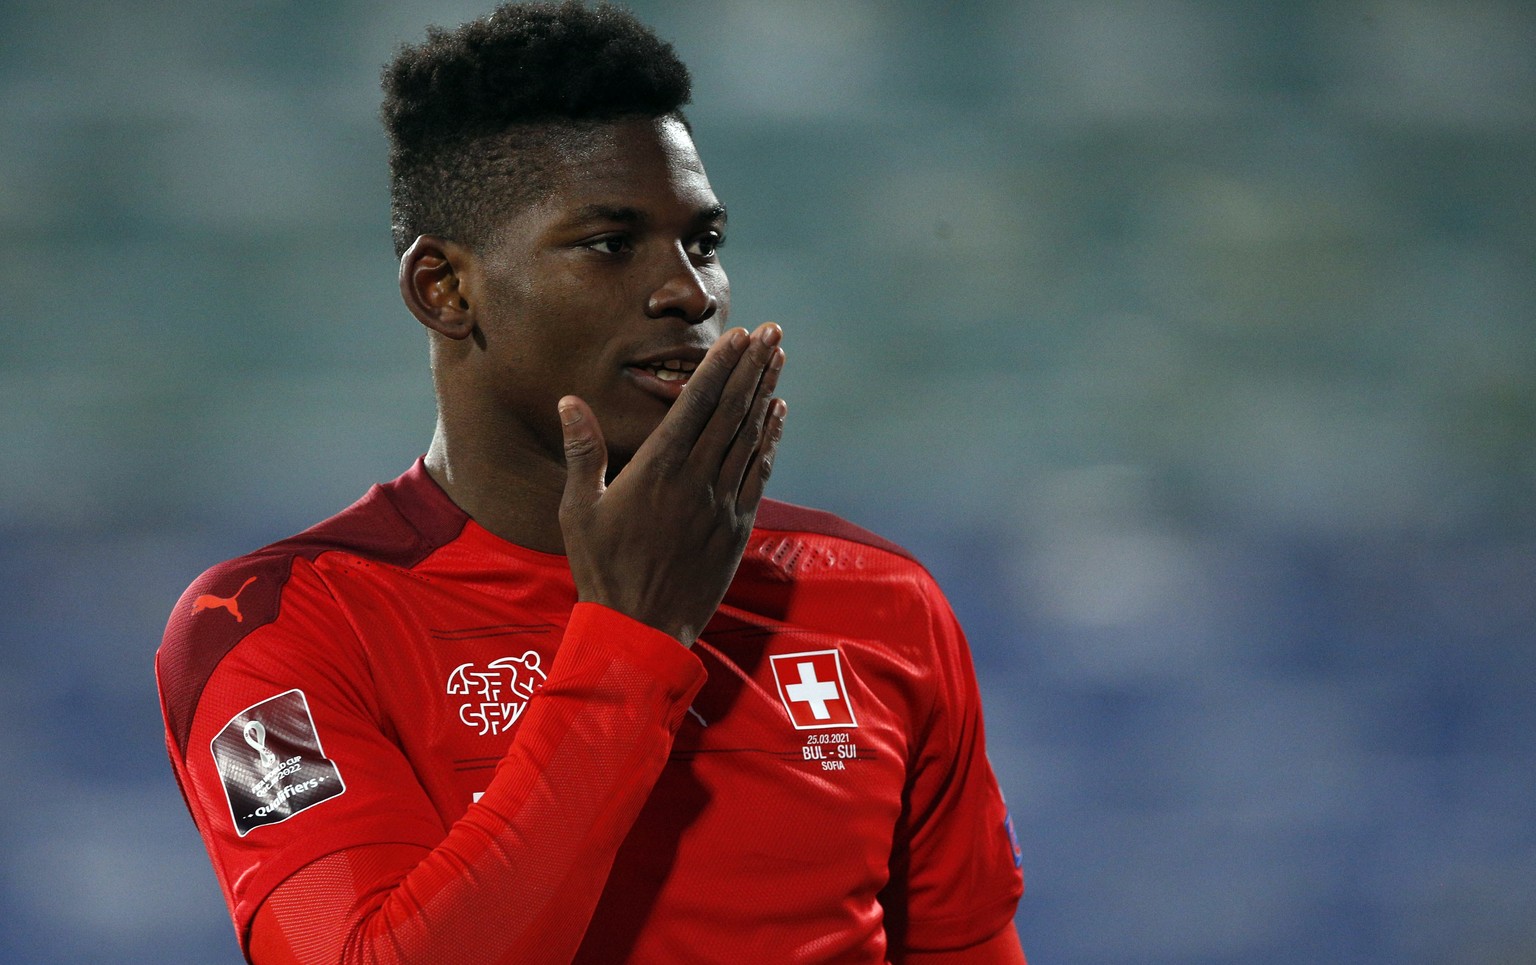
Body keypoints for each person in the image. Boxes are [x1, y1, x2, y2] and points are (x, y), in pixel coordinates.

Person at [155, 3, 1025, 962]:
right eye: (612, 243)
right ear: (443, 289)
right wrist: (633, 644)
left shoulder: (879, 603)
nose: (690, 292)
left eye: (705, 241)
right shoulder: (271, 629)